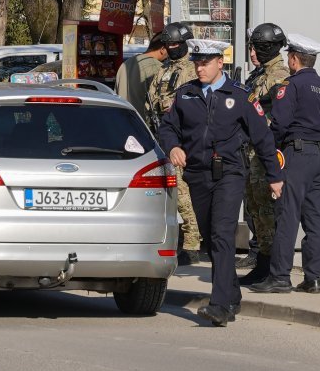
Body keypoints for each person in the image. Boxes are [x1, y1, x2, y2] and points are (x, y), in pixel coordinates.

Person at [158, 39, 283, 326]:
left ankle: (220, 305)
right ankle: (233, 295)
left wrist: (275, 176)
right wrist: (173, 147)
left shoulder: (240, 95)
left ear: (219, 63)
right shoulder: (186, 94)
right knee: (212, 242)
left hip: (229, 173)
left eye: (205, 63)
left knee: (222, 235)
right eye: (196, 63)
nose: (199, 68)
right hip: (197, 175)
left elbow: (263, 139)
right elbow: (168, 128)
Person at [250, 34, 320, 295]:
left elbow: (281, 124)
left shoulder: (291, 85)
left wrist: (269, 150)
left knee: (287, 216)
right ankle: (313, 278)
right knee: (315, 218)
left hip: (295, 157)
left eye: (289, 57)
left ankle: (280, 277)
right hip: (319, 159)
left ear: (295, 59)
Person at [237, 23, 290, 286]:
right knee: (256, 210)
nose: (253, 52)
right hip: (251, 152)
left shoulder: (279, 75)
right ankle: (262, 263)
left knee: (267, 211)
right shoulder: (260, 75)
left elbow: (278, 119)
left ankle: (274, 269)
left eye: (257, 46)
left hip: (264, 153)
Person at [146, 22, 201, 266]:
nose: (170, 48)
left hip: (185, 137)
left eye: (175, 44)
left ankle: (192, 243)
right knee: (170, 191)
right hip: (164, 135)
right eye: (167, 45)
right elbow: (152, 99)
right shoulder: (164, 69)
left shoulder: (193, 69)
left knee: (181, 192)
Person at [115, 33, 167, 119]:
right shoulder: (157, 67)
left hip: (122, 120)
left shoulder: (126, 64)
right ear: (162, 49)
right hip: (142, 124)